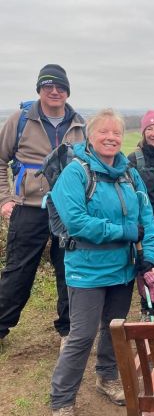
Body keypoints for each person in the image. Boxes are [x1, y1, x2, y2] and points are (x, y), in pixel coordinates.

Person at [49, 109, 154, 416]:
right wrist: (125, 233)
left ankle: (107, 377)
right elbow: (77, 223)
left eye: (117, 133)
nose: (111, 137)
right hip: (86, 270)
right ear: (90, 136)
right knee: (81, 337)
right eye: (103, 132)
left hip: (122, 269)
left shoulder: (129, 172)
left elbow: (146, 217)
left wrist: (148, 254)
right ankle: (62, 402)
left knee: (115, 331)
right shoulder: (75, 173)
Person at [0, 64, 85, 353]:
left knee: (69, 270)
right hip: (29, 207)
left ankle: (68, 330)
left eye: (60, 86)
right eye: (48, 86)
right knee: (18, 271)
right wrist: (5, 199)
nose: (54, 91)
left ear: (67, 91)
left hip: (67, 211)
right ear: (39, 89)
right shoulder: (20, 120)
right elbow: (0, 161)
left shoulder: (79, 124)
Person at [127, 110, 154, 321]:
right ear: (143, 133)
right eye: (150, 129)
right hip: (144, 219)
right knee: (146, 265)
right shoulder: (133, 159)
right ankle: (148, 308)